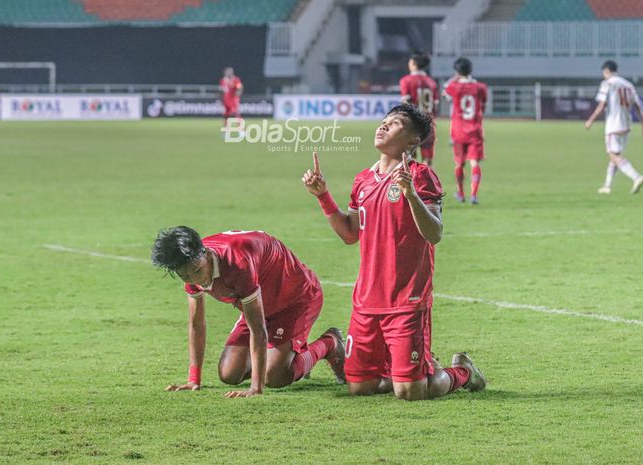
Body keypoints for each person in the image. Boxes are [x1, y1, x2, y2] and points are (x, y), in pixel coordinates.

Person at [302, 103, 486, 401]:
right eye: (384, 121)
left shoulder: (421, 176)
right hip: (367, 300)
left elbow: (434, 233)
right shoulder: (362, 179)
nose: (384, 126)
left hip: (407, 299)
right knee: (359, 388)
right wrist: (323, 196)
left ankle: (462, 372)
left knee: (410, 392)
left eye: (395, 123)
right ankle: (414, 365)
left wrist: (410, 193)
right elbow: (350, 234)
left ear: (413, 141)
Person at [151, 227, 345, 397]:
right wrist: (194, 379)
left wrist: (256, 387)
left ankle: (330, 343)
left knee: (274, 376)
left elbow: (258, 328)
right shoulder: (190, 264)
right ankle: (289, 356)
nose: (194, 279)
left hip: (296, 299)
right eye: (184, 275)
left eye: (196, 270)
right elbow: (196, 324)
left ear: (206, 253)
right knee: (229, 374)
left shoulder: (237, 263)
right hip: (259, 303)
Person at [585, 60, 643, 194]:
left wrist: (590, 120)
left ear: (606, 71)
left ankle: (636, 177)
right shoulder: (628, 85)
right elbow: (637, 106)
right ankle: (607, 186)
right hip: (626, 125)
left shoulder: (607, 83)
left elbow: (602, 105)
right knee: (615, 156)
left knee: (614, 156)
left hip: (613, 125)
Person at [443, 57, 488, 205]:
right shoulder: (480, 87)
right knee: (475, 163)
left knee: (459, 164)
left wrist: (455, 77)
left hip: (458, 131)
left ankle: (461, 193)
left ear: (457, 71)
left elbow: (445, 90)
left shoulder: (454, 87)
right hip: (475, 130)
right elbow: (483, 105)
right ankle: (474, 194)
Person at [399, 53, 439, 166]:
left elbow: (406, 104)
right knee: (427, 159)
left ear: (414, 64)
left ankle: (412, 182)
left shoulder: (406, 81)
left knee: (410, 158)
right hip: (428, 123)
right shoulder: (432, 82)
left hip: (413, 124)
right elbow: (435, 106)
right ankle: (426, 182)